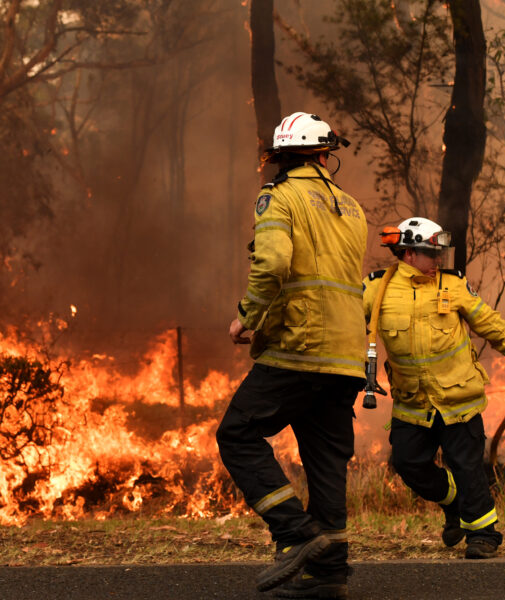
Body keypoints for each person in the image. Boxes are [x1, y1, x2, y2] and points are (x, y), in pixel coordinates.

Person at [216, 112, 367, 599]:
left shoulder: (278, 197)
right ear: (325, 154)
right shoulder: (352, 207)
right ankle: (328, 575)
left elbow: (275, 261)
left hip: (299, 345)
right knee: (325, 460)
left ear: (281, 156)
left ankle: (297, 533)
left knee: (237, 433)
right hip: (346, 354)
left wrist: (248, 316)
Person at [361, 217, 505, 559]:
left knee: (469, 467)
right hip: (413, 405)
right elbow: (343, 320)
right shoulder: (376, 290)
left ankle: (483, 535)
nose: (438, 261)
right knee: (408, 463)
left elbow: (489, 322)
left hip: (459, 399)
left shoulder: (453, 285)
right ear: (409, 253)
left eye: (440, 254)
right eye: (431, 254)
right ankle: (454, 501)